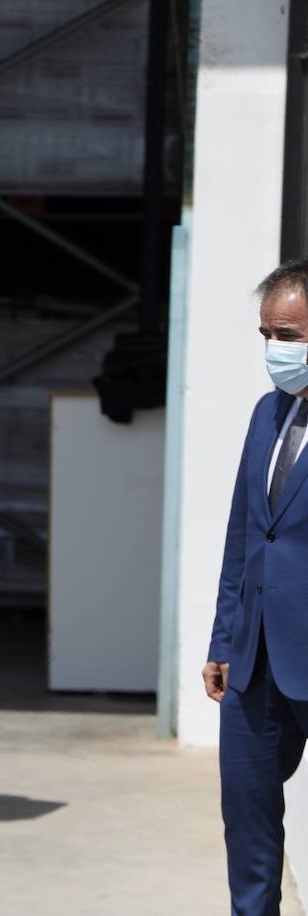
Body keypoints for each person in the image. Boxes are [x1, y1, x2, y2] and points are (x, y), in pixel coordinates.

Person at [206, 259, 308, 915]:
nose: (277, 350)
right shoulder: (266, 414)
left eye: (291, 336)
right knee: (247, 825)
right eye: (268, 334)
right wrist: (222, 640)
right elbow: (245, 536)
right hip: (255, 661)